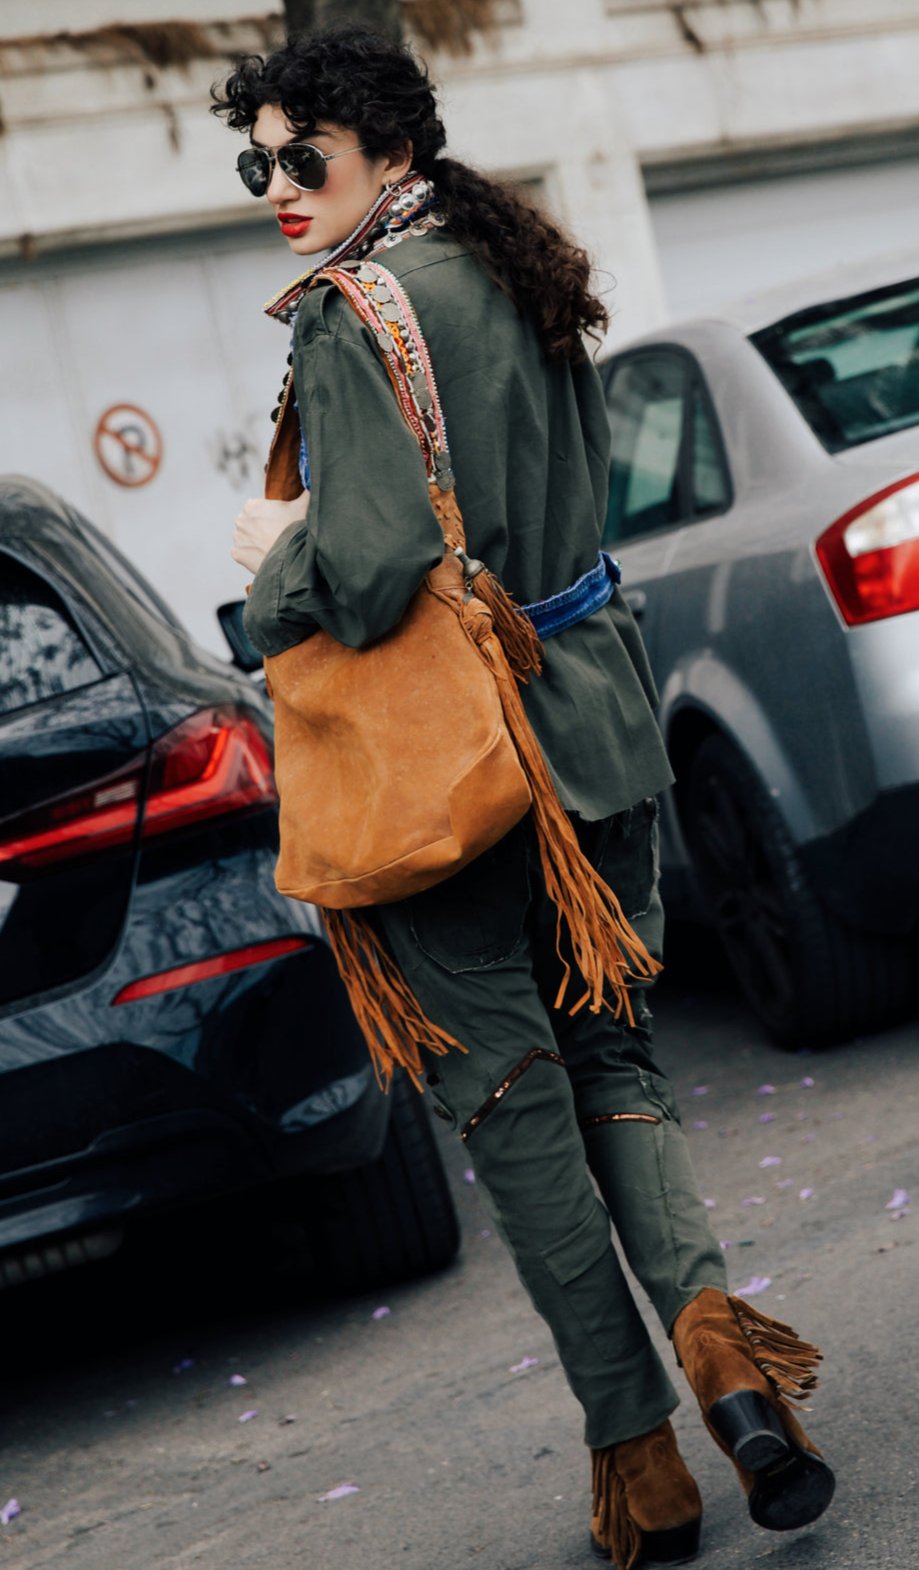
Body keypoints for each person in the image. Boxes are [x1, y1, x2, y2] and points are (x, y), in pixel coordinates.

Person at [212, 26, 835, 1566]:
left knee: (514, 1112)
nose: (281, 188)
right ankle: (733, 1368)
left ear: (389, 149)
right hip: (594, 731)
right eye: (258, 164)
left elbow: (364, 575)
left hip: (454, 780)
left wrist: (261, 561)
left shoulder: (356, 315)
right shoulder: (524, 264)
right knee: (620, 1066)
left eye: (309, 156)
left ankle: (645, 1467)